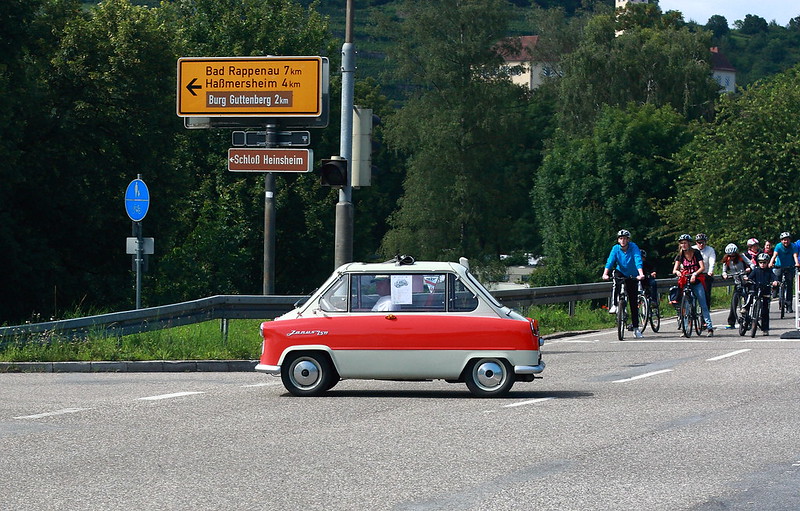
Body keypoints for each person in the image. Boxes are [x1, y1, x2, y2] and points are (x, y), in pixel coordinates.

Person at [601, 229, 645, 338]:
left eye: (625, 238)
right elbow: (610, 261)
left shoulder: (633, 247)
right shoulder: (615, 249)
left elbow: (637, 259)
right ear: (618, 240)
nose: (623, 240)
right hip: (621, 271)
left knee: (633, 302)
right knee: (616, 282)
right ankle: (615, 304)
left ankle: (635, 328)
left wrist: (640, 274)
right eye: (621, 238)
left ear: (628, 240)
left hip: (632, 274)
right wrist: (605, 273)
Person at [672, 234, 714, 335]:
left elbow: (702, 267)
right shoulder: (680, 255)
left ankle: (709, 327)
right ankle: (685, 327)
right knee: (685, 304)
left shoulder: (696, 253)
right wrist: (677, 272)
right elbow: (675, 269)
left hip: (697, 279)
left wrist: (695, 274)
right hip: (686, 278)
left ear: (689, 243)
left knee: (702, 302)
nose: (683, 245)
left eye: (685, 243)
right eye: (682, 243)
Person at [745, 252, 779, 335]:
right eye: (760, 262)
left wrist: (775, 281)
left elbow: (774, 277)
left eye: (764, 262)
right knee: (749, 297)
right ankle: (745, 309)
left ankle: (765, 329)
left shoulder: (769, 271)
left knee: (765, 311)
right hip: (756, 290)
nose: (762, 264)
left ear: (767, 263)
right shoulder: (756, 270)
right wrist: (747, 279)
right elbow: (750, 277)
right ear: (758, 262)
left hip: (765, 292)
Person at [721, 243, 752, 328]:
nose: (732, 257)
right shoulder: (727, 260)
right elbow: (724, 270)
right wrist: (724, 274)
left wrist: (749, 268)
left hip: (745, 280)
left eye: (733, 256)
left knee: (747, 300)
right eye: (730, 256)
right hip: (737, 281)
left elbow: (751, 264)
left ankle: (748, 319)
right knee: (733, 302)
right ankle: (731, 322)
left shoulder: (741, 257)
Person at [768, 232, 799, 308]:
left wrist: (797, 263)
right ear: (781, 241)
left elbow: (795, 256)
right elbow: (774, 255)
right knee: (777, 278)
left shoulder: (793, 246)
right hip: (779, 266)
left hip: (789, 266)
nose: (786, 241)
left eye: (787, 240)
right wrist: (771, 263)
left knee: (789, 285)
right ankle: (775, 289)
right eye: (784, 240)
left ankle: (789, 305)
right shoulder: (778, 246)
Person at [692, 233, 716, 321]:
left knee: (706, 296)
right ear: (696, 242)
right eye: (699, 242)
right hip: (694, 274)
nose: (701, 244)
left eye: (703, 242)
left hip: (705, 274)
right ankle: (689, 314)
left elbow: (712, 261)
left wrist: (710, 271)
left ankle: (704, 319)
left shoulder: (710, 250)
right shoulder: (692, 249)